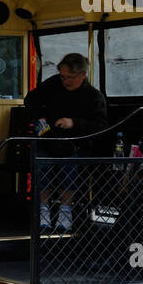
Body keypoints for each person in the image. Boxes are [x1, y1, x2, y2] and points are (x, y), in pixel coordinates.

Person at [23, 53, 108, 232]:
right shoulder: (53, 84)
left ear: (83, 75)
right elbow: (30, 100)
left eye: (70, 77)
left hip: (75, 143)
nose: (65, 81)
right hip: (49, 137)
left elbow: (100, 126)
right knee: (42, 160)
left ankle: (65, 210)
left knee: (69, 163)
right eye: (63, 76)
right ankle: (43, 209)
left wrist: (74, 123)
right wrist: (41, 117)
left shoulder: (94, 97)